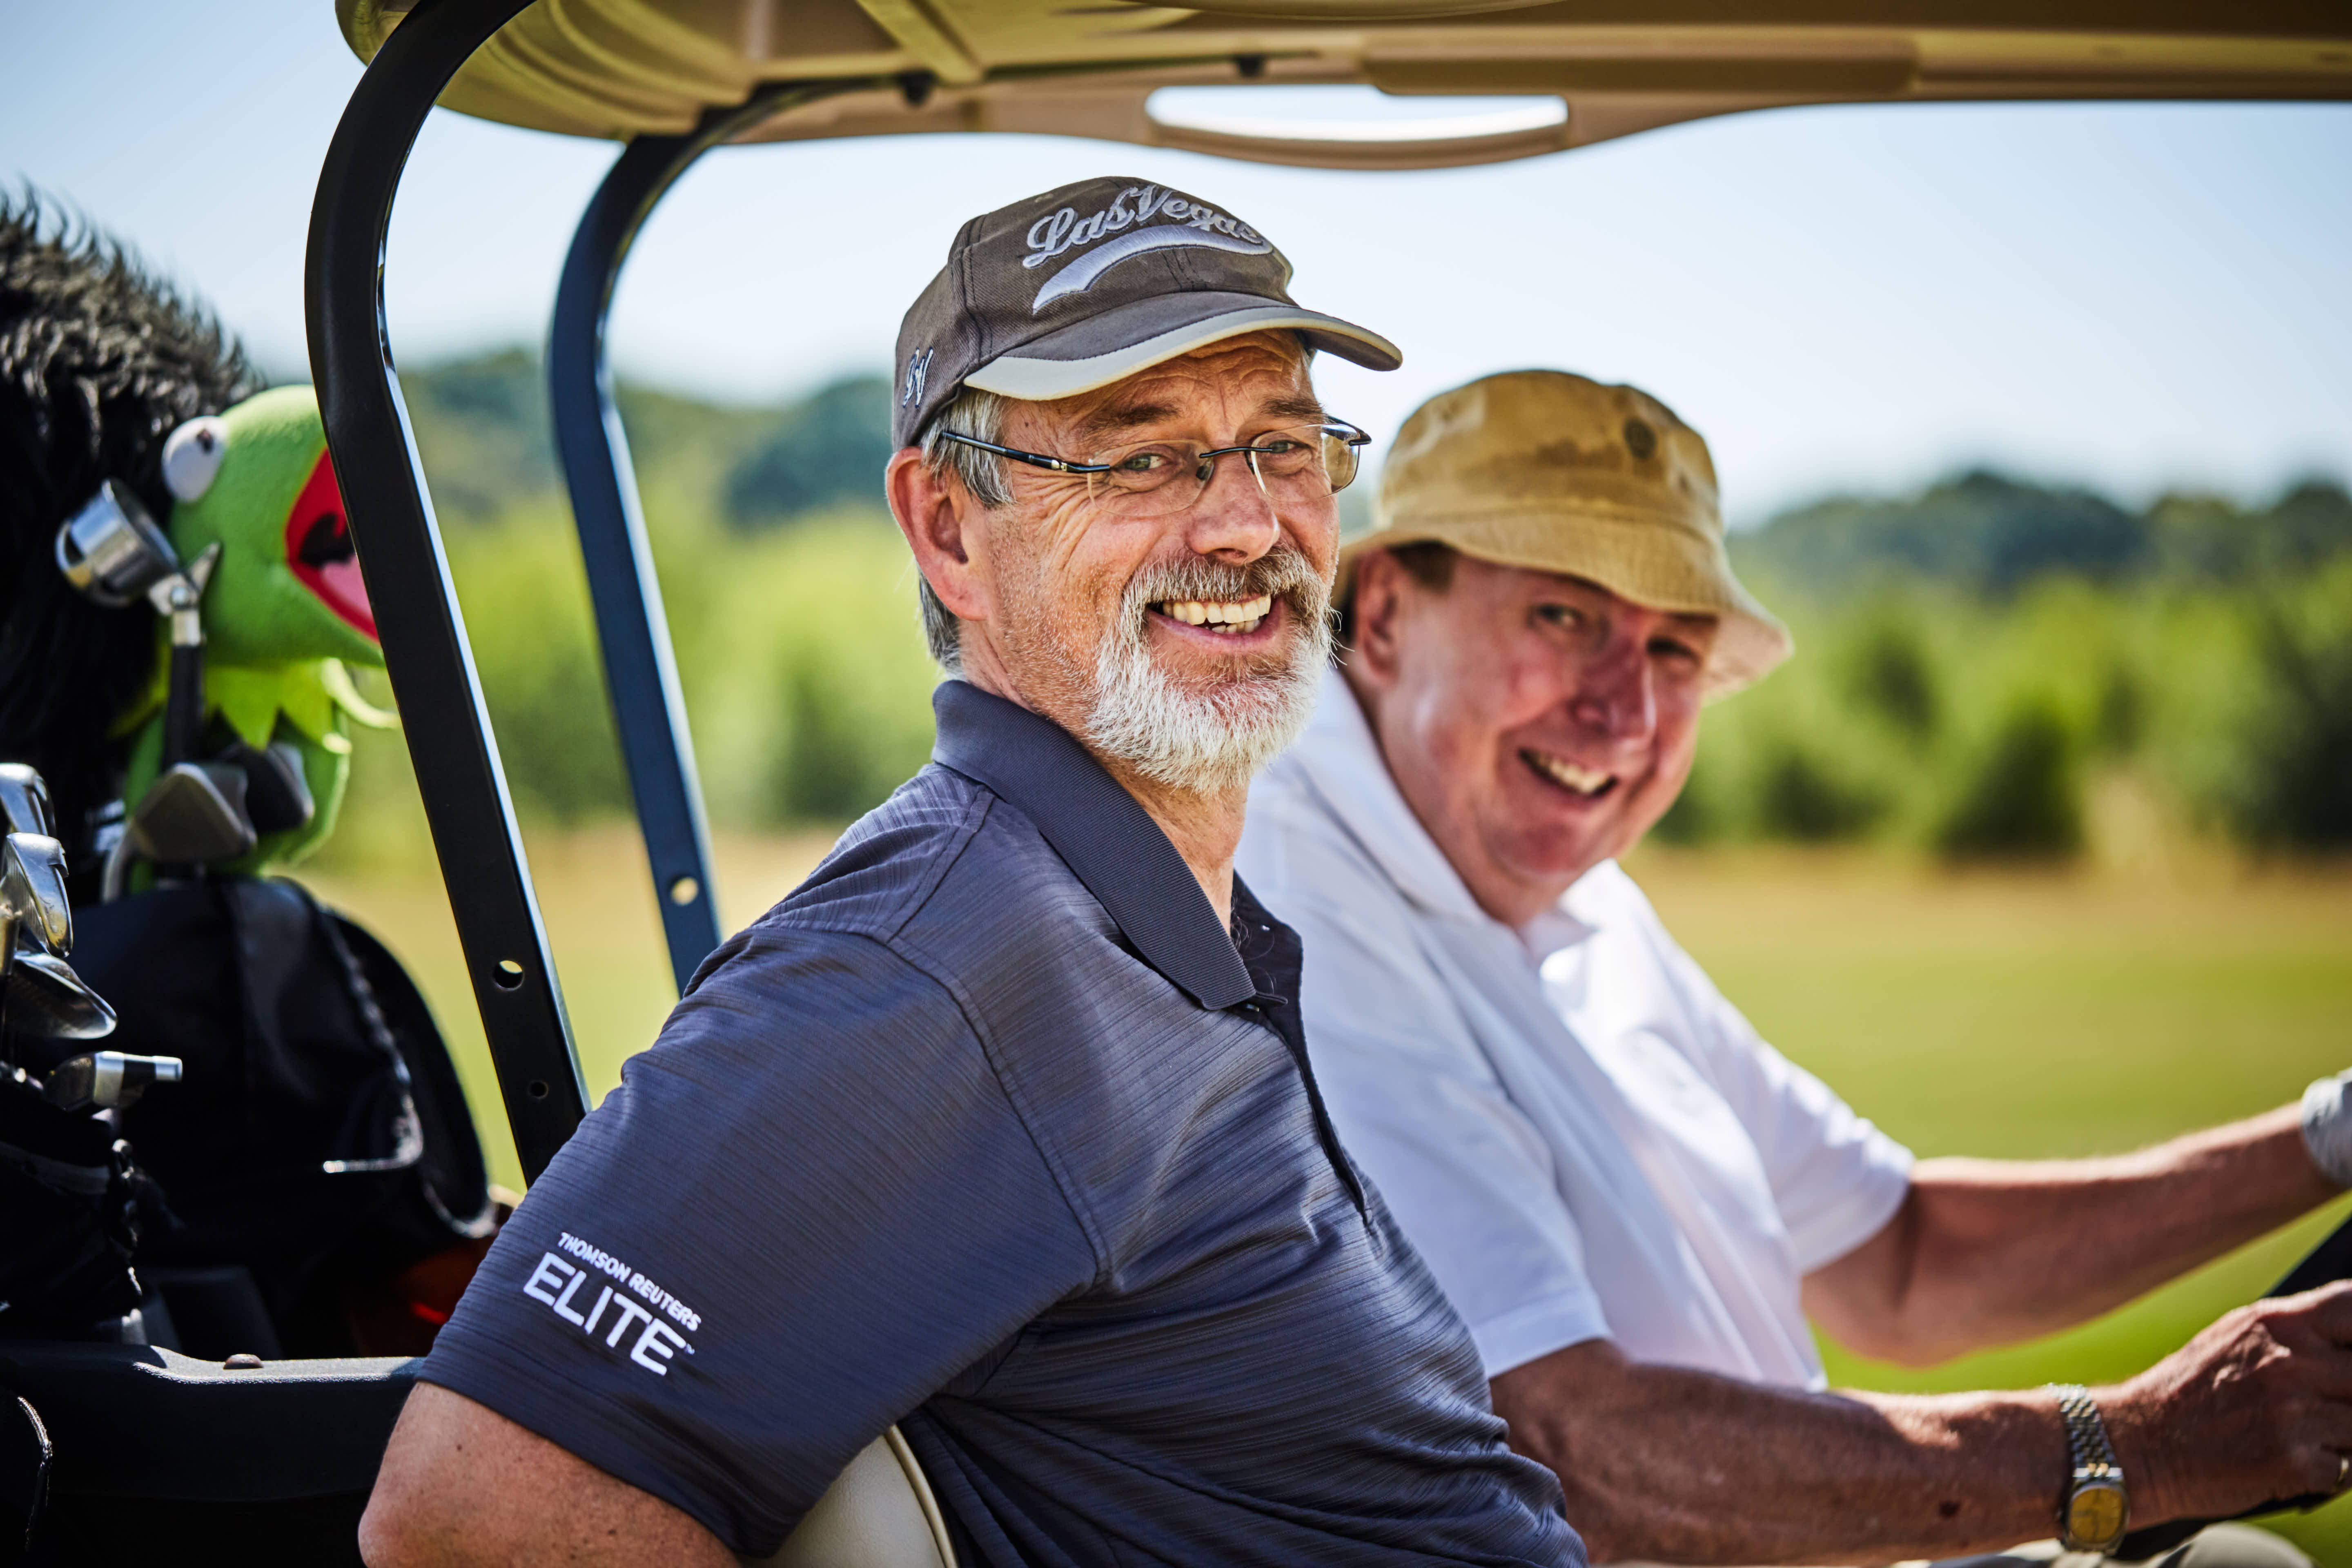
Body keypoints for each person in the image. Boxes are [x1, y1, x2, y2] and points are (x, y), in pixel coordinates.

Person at [359, 183, 1584, 1568]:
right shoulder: (942, 963)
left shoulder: (1126, 926)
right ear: (949, 530)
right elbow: (470, 1514)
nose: (1246, 527)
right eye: (1143, 457)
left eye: (1285, 445)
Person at [1234, 368, 2352, 1567]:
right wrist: (2136, 1449)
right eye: (1565, 617)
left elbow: (1899, 1265)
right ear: (1390, 615)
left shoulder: (1570, 893)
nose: (1625, 717)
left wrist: (2330, 1139)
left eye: (1674, 650)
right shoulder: (1293, 895)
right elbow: (1567, 1450)